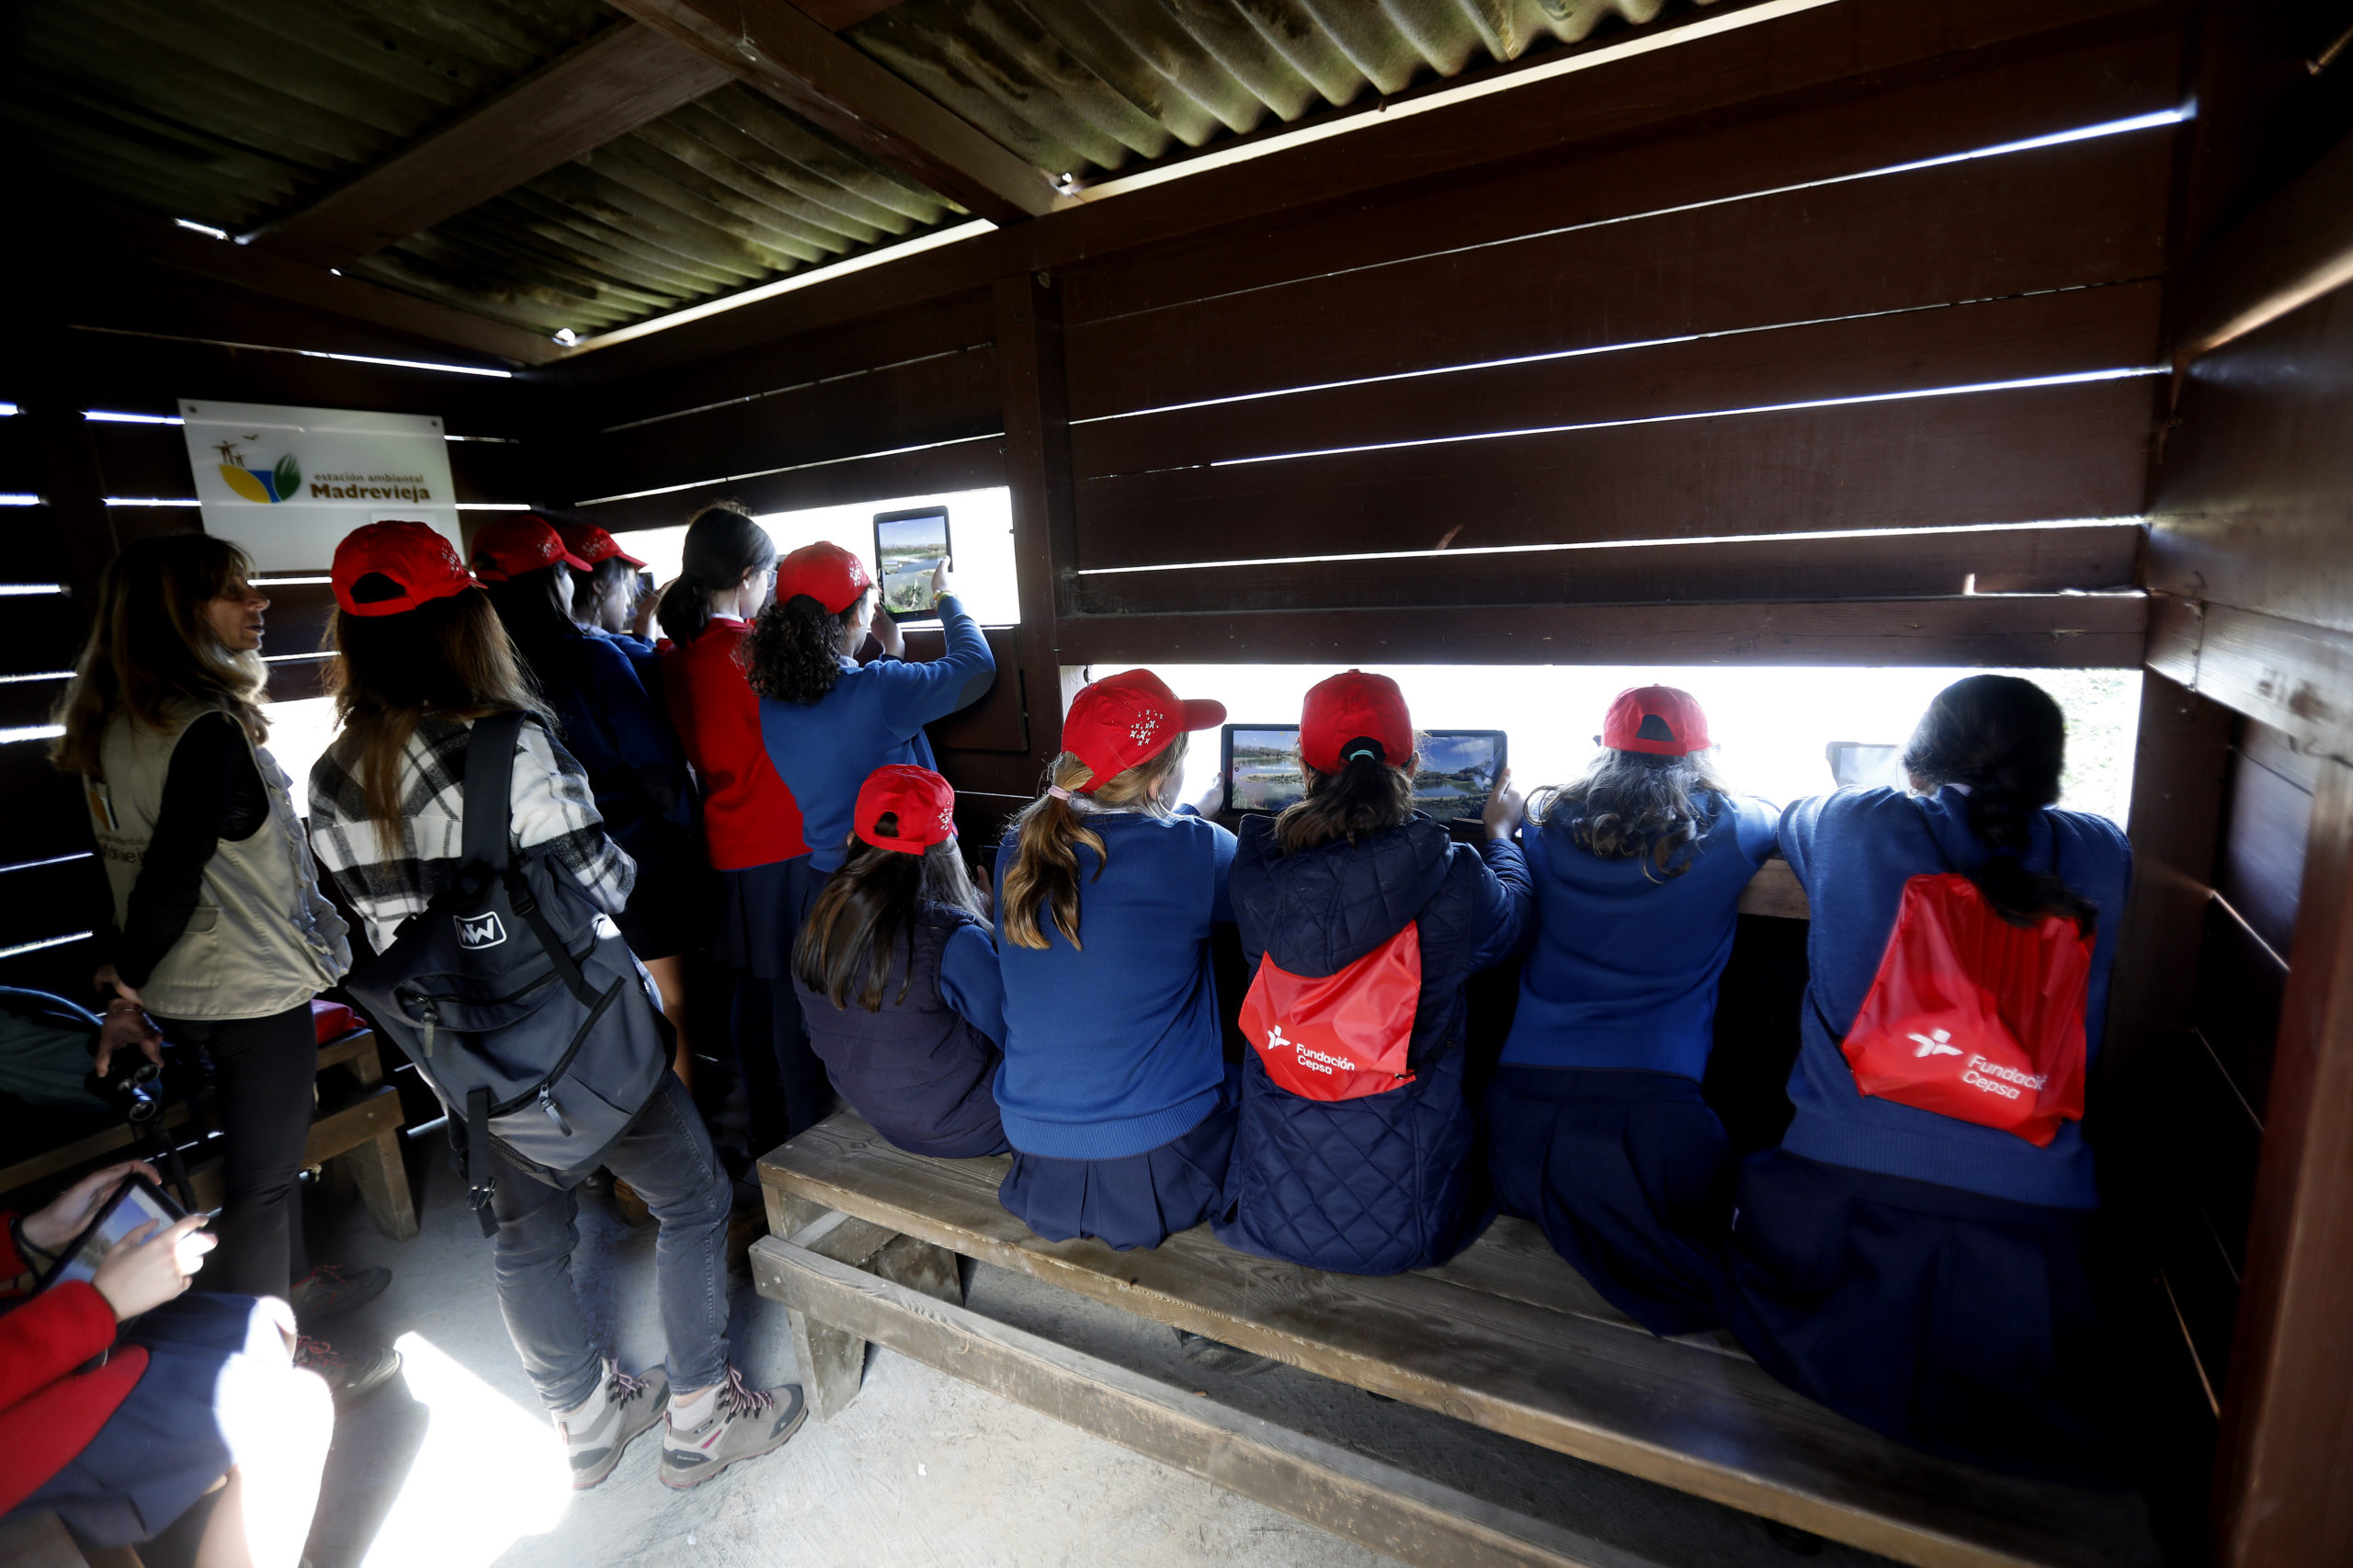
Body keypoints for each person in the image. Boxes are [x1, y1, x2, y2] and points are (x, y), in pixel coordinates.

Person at [307, 521, 802, 1490]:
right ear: (465, 621)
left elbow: (364, 929)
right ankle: (700, 1415)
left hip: (466, 1057)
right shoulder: (507, 743)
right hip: (580, 1038)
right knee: (693, 1197)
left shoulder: (330, 775)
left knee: (525, 1237)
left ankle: (584, 1415)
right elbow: (607, 880)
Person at [1717, 675, 2131, 1480]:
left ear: (1916, 761)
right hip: (2038, 1253)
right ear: (2052, 772)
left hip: (1836, 1218)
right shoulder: (2101, 849)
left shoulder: (1857, 823)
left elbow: (1781, 818)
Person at [51, 533, 395, 1400]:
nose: (259, 602)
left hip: (186, 992)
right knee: (265, 1182)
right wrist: (125, 985)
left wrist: (128, 994)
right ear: (179, 615)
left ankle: (295, 1285)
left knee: (259, 1172)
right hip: (245, 986)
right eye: (233, 592)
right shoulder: (204, 730)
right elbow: (166, 880)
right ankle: (273, 1354)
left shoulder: (111, 726)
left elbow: (117, 872)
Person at [1216, 671, 1531, 1275]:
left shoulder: (1254, 875)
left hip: (1269, 1210)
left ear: (1305, 773)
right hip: (1409, 1223)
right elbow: (1516, 924)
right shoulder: (1455, 876)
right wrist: (1500, 836)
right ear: (1410, 766)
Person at [1485, 687, 1777, 1334]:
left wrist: (1500, 829)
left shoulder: (1547, 823)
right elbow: (1781, 815)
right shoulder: (1731, 827)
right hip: (1650, 1126)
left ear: (1602, 749)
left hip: (1515, 1116)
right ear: (1702, 754)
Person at [992, 670, 1234, 1252]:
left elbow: (1123, 853)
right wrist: (1193, 821)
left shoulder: (1017, 850)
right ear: (1158, 783)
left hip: (1034, 1155)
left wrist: (1188, 813)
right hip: (1160, 1163)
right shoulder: (1200, 851)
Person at [4, 1160, 332, 1568]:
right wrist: (101, 1305)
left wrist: (27, 1235)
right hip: (19, 1430)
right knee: (299, 1407)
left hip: (33, 1344)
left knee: (273, 1319)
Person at [476, 516, 705, 1091]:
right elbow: (655, 767)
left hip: (538, 876)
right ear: (555, 579)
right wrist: (685, 831)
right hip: (631, 859)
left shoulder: (477, 673)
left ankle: (608, 1155)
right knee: (667, 1002)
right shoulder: (593, 658)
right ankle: (687, 1151)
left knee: (583, 1010)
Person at [655, 504, 817, 1154]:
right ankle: (806, 1133)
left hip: (726, 843)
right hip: (783, 840)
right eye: (771, 572)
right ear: (749, 575)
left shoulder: (673, 654)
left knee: (752, 989)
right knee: (789, 997)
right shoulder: (749, 653)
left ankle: (764, 1123)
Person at [790, 765, 1007, 1158]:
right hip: (973, 1127)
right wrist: (994, 931)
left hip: (884, 1118)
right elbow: (1017, 1033)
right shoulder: (949, 937)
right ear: (945, 855)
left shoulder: (818, 922)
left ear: (853, 839)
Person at [748, 542, 995, 883]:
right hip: (900, 873)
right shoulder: (880, 690)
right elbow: (977, 667)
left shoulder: (772, 698)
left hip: (827, 878)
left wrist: (891, 654)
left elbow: (854, 723)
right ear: (856, 617)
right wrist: (946, 596)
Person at [552, 518, 661, 688]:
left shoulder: (552, 644)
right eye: (625, 586)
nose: (628, 600)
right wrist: (646, 640)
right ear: (599, 586)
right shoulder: (607, 651)